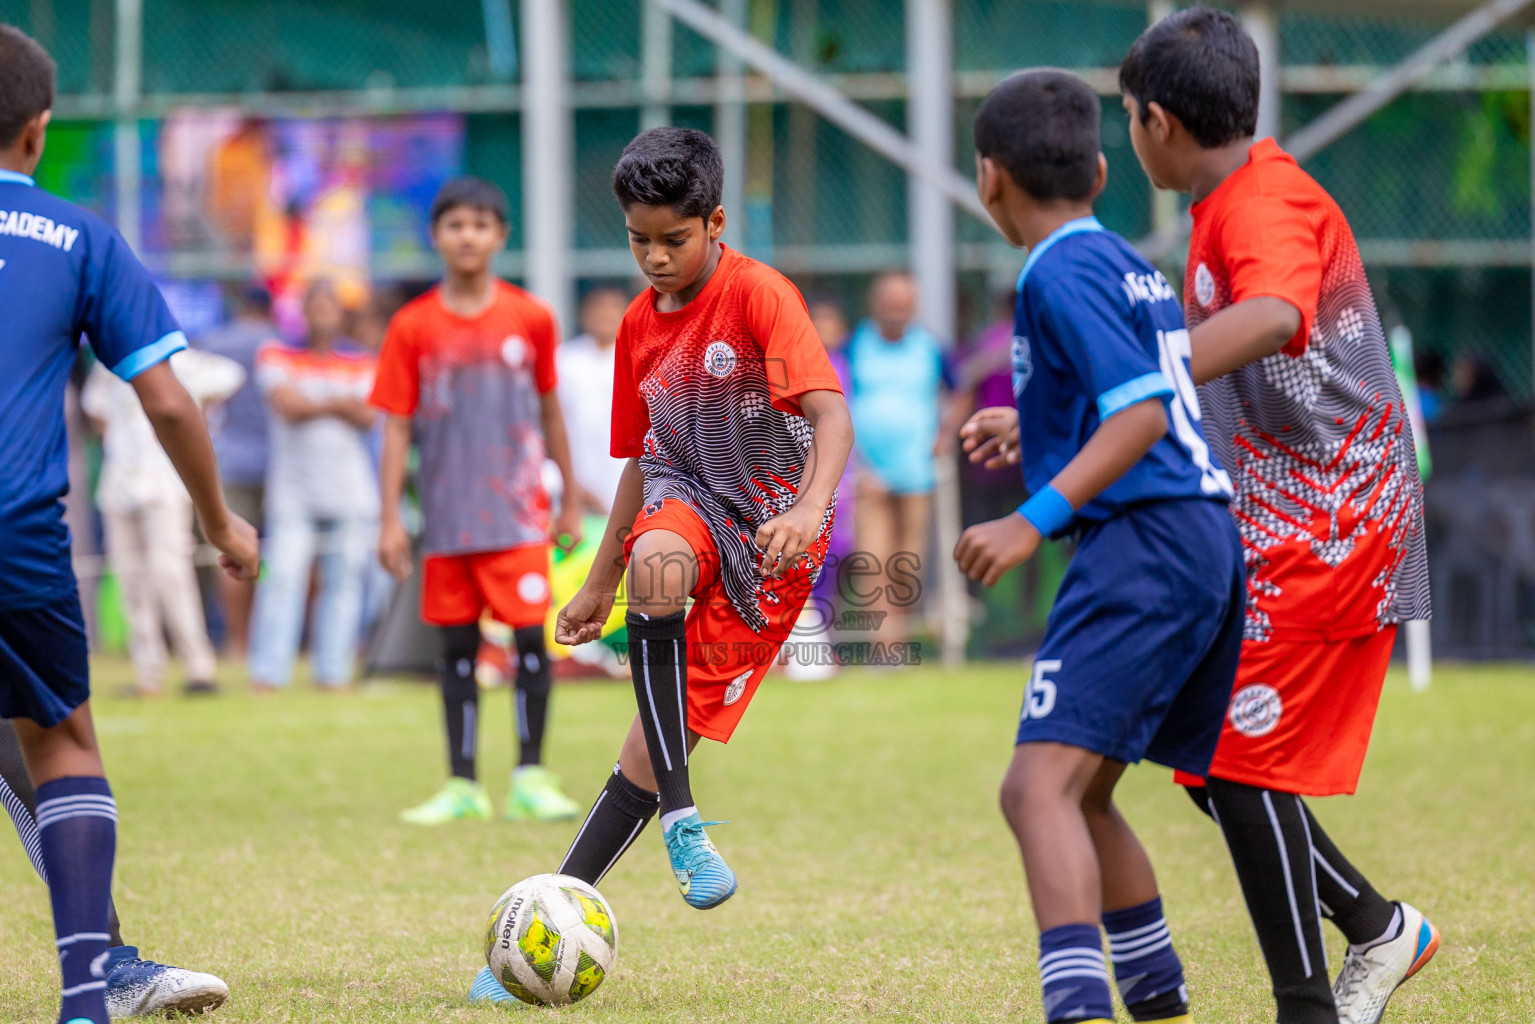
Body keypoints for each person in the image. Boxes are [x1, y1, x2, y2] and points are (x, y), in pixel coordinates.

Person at [471, 123, 853, 1004]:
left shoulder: (762, 296)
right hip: (687, 506)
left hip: (770, 545)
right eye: (638, 239)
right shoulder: (638, 327)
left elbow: (831, 418)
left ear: (714, 222)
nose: (652, 257)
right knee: (654, 563)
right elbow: (642, 462)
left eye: (671, 240)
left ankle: (564, 902)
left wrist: (804, 508)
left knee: (643, 750)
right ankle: (677, 822)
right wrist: (597, 580)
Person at [1120, 10, 1437, 1024]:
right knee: (1196, 746)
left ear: (1155, 121)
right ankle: (1378, 929)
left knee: (1231, 759)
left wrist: (1140, 381)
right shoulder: (1225, 200)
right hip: (1278, 516)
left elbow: (1272, 314)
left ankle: (1306, 1005)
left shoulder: (1258, 203)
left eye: (1125, 118)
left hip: (1333, 518)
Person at [954, 69, 1244, 1024]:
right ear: (1102, 169)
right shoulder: (1123, 258)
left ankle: (1075, 1009)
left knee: (1032, 789)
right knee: (1082, 793)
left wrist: (1026, 516)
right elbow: (1124, 397)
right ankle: (1155, 997)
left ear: (989, 178)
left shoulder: (1055, 269)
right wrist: (1031, 428)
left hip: (1146, 543)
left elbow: (1144, 416)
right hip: (1199, 540)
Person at [0, 26, 259, 1022]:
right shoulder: (79, 237)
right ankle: (85, 994)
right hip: (19, 527)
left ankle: (108, 967)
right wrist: (222, 521)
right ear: (38, 129)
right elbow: (168, 400)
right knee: (60, 739)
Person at [371, 177, 584, 826]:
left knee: (528, 645)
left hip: (519, 516)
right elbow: (397, 425)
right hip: (447, 520)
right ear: (436, 236)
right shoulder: (413, 327)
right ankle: (462, 783)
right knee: (456, 652)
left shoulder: (531, 318)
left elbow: (550, 409)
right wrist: (390, 520)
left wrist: (568, 498)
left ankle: (530, 775)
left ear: (501, 237)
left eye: (481, 225)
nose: (468, 236)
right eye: (455, 225)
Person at [82, 346, 244, 696]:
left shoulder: (175, 360)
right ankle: (148, 673)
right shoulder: (106, 367)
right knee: (131, 579)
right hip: (119, 482)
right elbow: (96, 410)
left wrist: (194, 417)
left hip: (164, 482)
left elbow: (229, 375)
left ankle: (199, 668)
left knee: (170, 573)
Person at [247, 279, 379, 691]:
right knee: (283, 578)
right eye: (314, 304)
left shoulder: (363, 362)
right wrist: (339, 403)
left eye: (330, 305)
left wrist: (318, 404)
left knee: (344, 583)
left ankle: (333, 670)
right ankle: (269, 672)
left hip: (351, 490)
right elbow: (287, 405)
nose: (322, 312)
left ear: (342, 314)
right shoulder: (275, 354)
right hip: (293, 489)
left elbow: (368, 415)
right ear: (302, 311)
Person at [845, 272, 952, 646]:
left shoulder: (931, 348)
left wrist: (945, 433)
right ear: (875, 304)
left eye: (904, 303)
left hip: (916, 474)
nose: (897, 310)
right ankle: (884, 648)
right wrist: (852, 463)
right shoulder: (854, 346)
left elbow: (959, 391)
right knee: (873, 560)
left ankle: (902, 640)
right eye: (890, 302)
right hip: (867, 474)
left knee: (908, 563)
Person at [194, 283, 278, 660]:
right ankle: (287, 641)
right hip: (279, 463)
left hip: (229, 461)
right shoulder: (280, 344)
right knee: (284, 556)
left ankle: (238, 642)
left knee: (232, 551)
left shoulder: (214, 343)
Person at [558, 285, 631, 516]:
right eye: (598, 308)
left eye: (613, 308)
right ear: (584, 313)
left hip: (628, 491)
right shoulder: (564, 360)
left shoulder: (637, 360)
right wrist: (572, 486)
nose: (605, 315)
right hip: (576, 496)